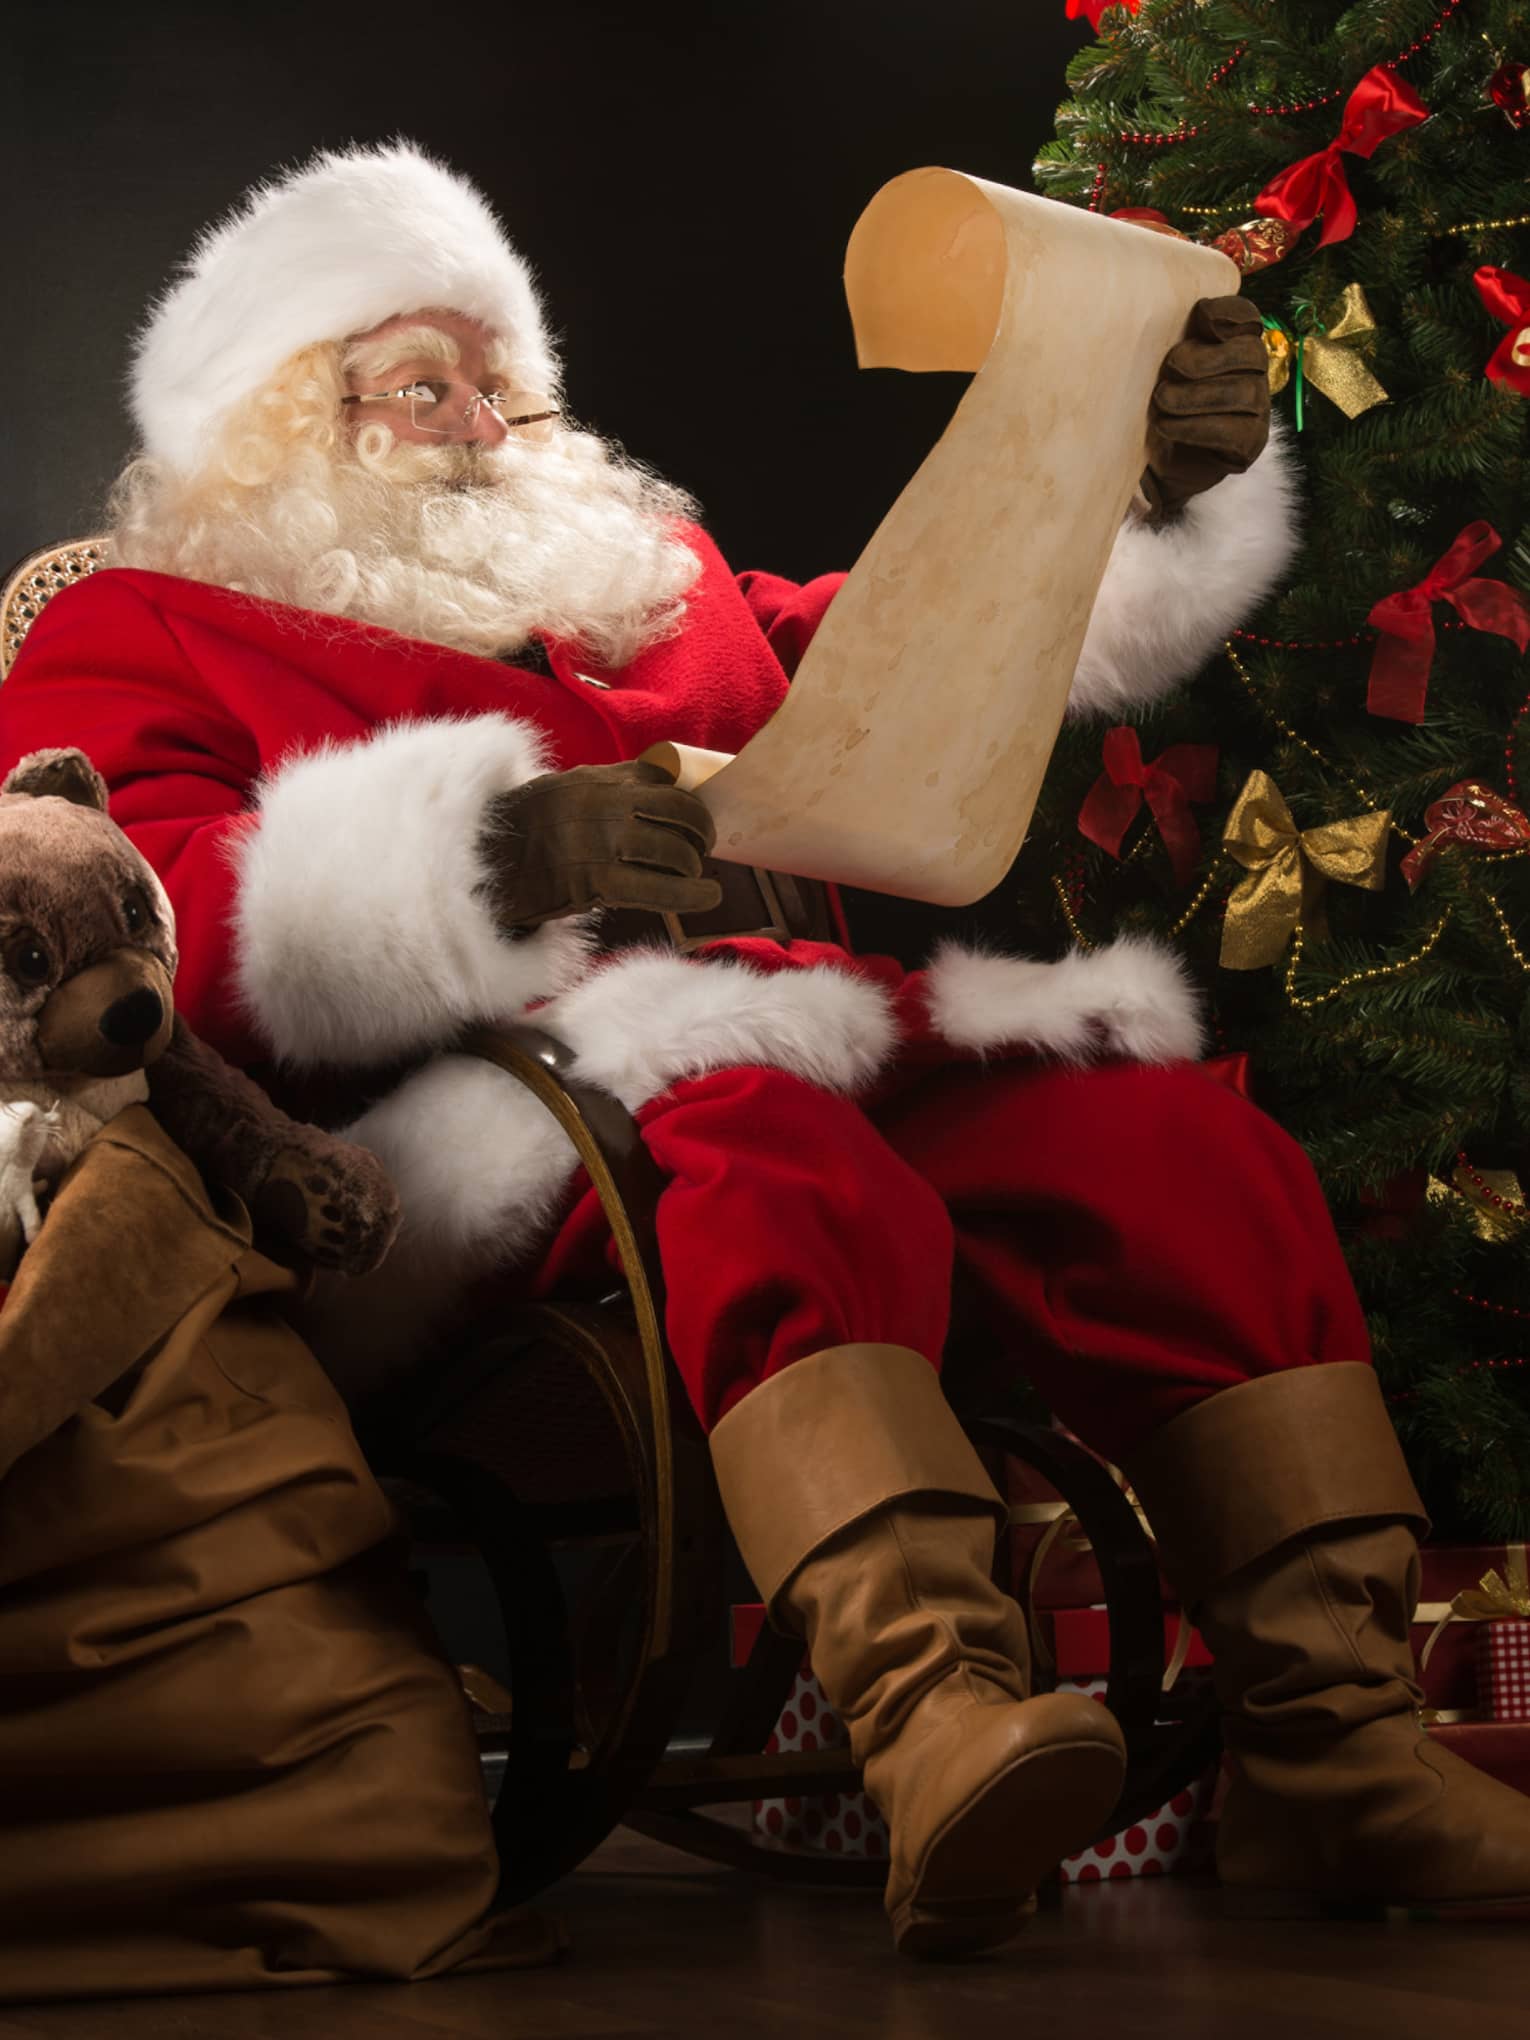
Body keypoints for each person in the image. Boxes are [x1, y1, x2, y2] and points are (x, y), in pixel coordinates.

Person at [5, 142, 1528, 1958]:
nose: (486, 420)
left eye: (506, 380)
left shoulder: (661, 594)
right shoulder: (139, 628)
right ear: (272, 430)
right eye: (422, 383)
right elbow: (145, 922)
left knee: (1147, 1130)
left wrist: (1134, 486)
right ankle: (928, 1704)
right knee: (746, 1120)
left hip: (799, 1069)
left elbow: (924, 656)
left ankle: (1328, 1739)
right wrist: (495, 856)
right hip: (450, 1159)